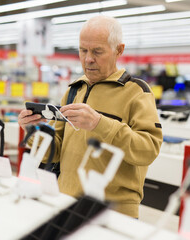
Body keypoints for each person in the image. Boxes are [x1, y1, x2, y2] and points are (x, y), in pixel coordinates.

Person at [18, 15, 162, 219]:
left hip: (113, 211)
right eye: (83, 50)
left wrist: (99, 123)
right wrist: (35, 130)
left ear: (119, 50)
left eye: (97, 51)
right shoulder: (74, 90)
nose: (88, 59)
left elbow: (148, 150)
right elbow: (55, 152)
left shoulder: (137, 92)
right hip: (65, 201)